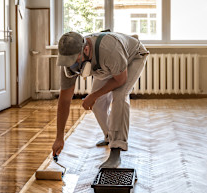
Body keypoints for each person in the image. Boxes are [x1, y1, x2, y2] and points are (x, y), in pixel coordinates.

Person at [52, 31, 149, 168]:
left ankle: (116, 150)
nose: (72, 66)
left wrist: (93, 95)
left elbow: (120, 80)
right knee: (97, 104)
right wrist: (59, 137)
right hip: (107, 64)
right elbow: (64, 101)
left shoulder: (109, 49)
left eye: (75, 60)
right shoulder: (68, 62)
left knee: (120, 96)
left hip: (133, 57)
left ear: (86, 49)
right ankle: (109, 136)